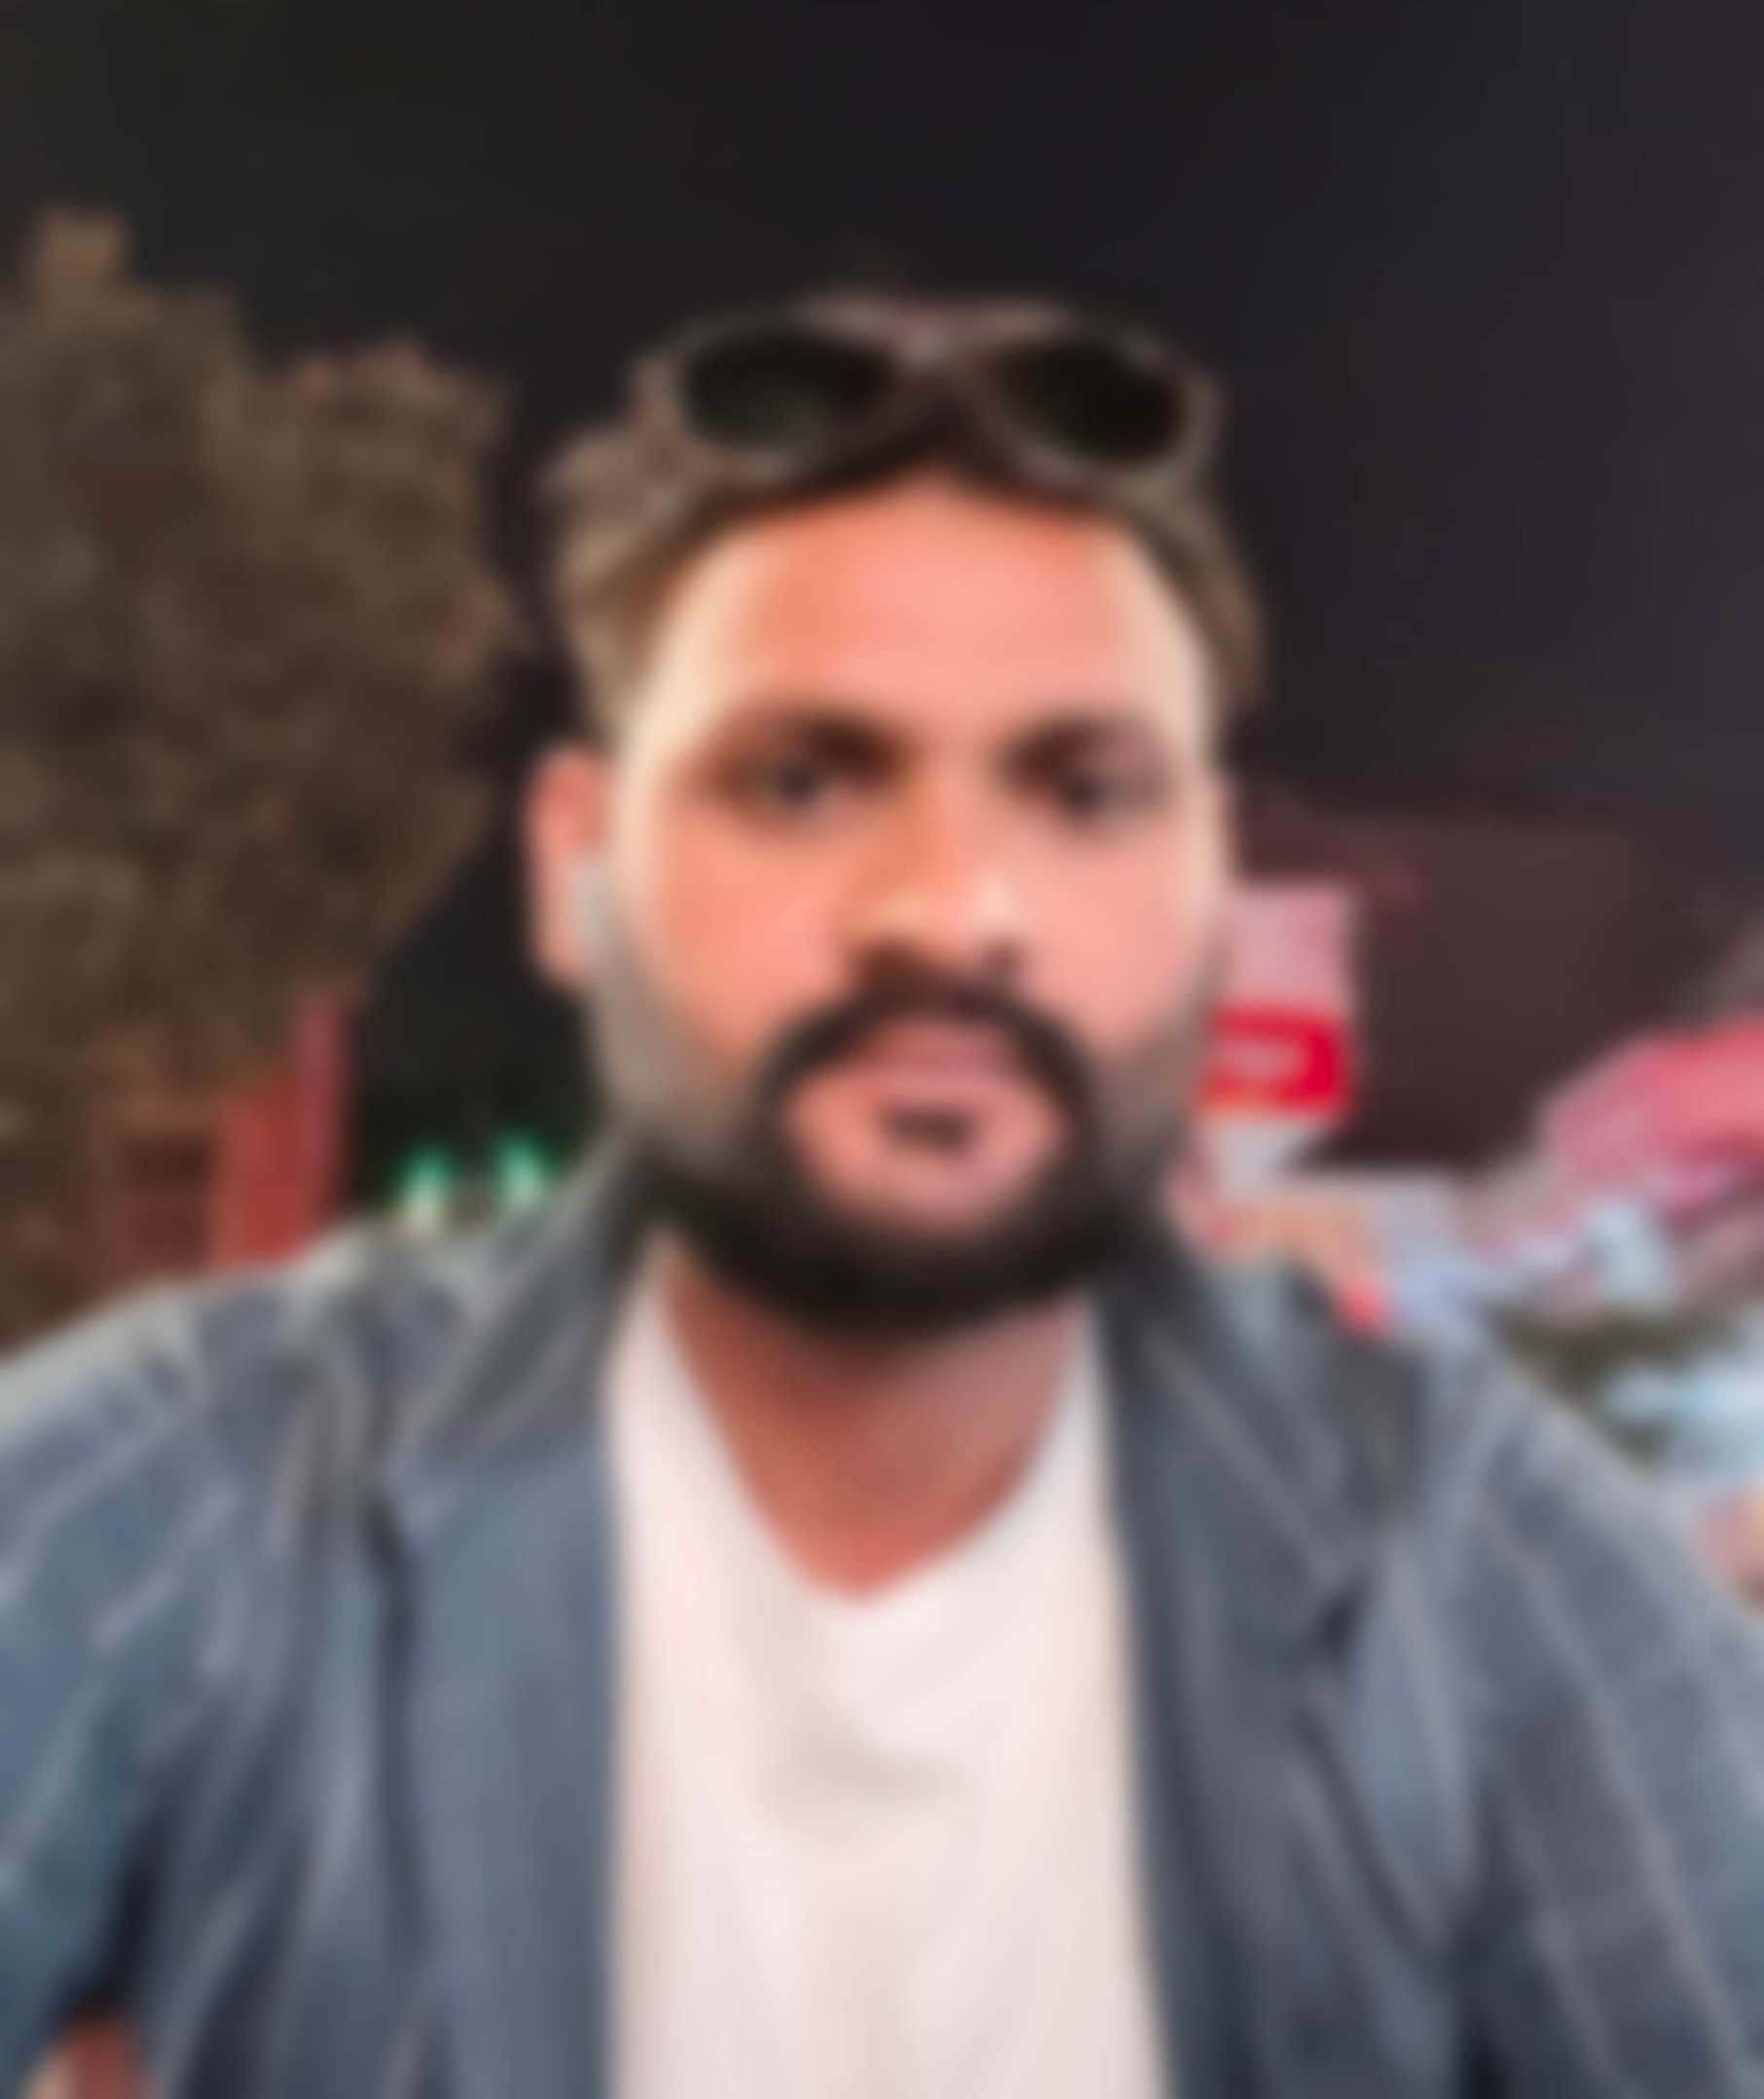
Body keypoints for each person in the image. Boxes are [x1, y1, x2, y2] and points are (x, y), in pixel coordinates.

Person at [3, 294, 1763, 2099]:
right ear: (576, 866)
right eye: (797, 782)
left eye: (1086, 793)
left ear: (1209, 888)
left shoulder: (1475, 1553)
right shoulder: (186, 1498)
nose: (952, 909)